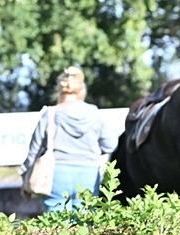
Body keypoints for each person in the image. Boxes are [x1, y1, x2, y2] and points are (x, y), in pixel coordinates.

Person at [20, 66, 116, 213]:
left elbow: (33, 151)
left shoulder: (50, 114)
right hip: (88, 173)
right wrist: (91, 150)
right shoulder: (94, 113)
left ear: (59, 89)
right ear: (81, 90)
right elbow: (110, 144)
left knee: (57, 227)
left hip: (55, 174)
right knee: (85, 225)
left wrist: (25, 179)